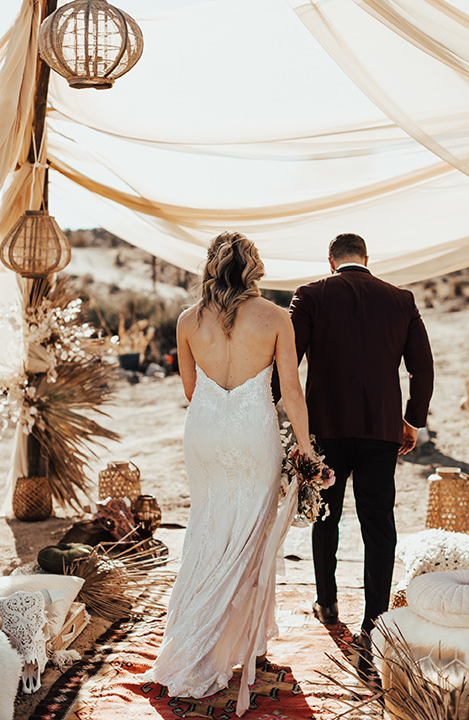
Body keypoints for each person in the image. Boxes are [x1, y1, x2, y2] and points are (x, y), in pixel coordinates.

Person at [137, 231, 316, 716]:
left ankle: (204, 634)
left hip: (206, 433)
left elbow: (191, 391)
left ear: (212, 267)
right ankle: (235, 641)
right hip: (254, 433)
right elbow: (292, 393)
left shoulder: (187, 320)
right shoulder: (277, 318)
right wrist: (306, 450)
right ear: (254, 268)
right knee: (249, 537)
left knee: (207, 529)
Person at [273, 232, 434, 662]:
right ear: (367, 258)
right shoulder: (401, 299)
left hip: (325, 429)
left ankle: (327, 604)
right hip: (382, 431)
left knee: (326, 514)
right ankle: (375, 620)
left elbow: (288, 360)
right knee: (378, 523)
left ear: (331, 261)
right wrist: (412, 420)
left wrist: (269, 405)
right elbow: (422, 368)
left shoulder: (310, 295)